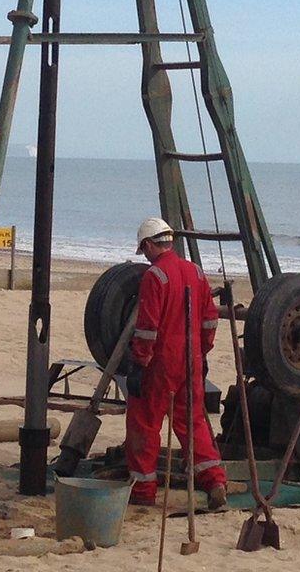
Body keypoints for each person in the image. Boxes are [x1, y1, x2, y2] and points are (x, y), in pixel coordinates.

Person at [123, 216, 228, 509]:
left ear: (147, 245)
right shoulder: (195, 271)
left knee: (144, 421)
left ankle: (143, 490)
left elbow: (147, 328)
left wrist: (140, 361)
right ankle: (214, 479)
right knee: (192, 421)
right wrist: (203, 351)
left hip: (161, 362)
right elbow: (210, 318)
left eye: (143, 250)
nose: (144, 255)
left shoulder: (154, 277)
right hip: (191, 360)